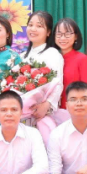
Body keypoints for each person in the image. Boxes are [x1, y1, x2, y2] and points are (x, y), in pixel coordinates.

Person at [21, 11, 64, 140]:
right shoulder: (21, 57)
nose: (33, 29)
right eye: (30, 25)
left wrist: (46, 106)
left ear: (48, 32)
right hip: (23, 115)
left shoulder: (53, 54)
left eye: (39, 26)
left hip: (43, 114)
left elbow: (58, 83)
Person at [53, 18, 87, 110]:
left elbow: (86, 90)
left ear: (76, 36)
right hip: (53, 110)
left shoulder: (82, 59)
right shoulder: (52, 58)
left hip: (75, 110)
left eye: (68, 34)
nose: (62, 38)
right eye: (59, 34)